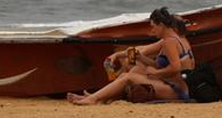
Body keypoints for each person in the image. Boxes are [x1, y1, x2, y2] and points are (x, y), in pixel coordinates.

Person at [67, 7, 195, 105]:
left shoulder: (170, 42)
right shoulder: (170, 40)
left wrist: (155, 73)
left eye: (153, 27)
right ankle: (95, 97)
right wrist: (141, 58)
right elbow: (157, 62)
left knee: (129, 77)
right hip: (170, 85)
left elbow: (175, 68)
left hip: (176, 91)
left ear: (161, 25)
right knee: (126, 74)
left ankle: (93, 99)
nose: (152, 31)